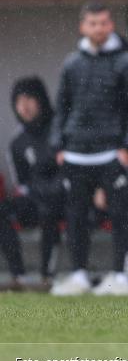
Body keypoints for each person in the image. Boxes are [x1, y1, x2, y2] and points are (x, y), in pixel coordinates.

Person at [49, 2, 128, 296]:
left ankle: (121, 276)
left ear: (111, 25)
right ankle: (78, 275)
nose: (98, 28)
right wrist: (59, 145)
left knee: (120, 215)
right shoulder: (72, 63)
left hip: (111, 152)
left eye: (103, 23)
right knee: (76, 217)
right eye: (92, 23)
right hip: (76, 152)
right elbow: (61, 107)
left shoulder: (126, 62)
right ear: (83, 27)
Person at [1, 77, 64, 290]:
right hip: (36, 199)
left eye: (29, 99)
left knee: (49, 210)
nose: (24, 106)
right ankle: (19, 276)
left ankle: (47, 276)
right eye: (19, 102)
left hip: (63, 200)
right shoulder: (17, 143)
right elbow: (22, 184)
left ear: (41, 100)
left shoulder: (59, 130)